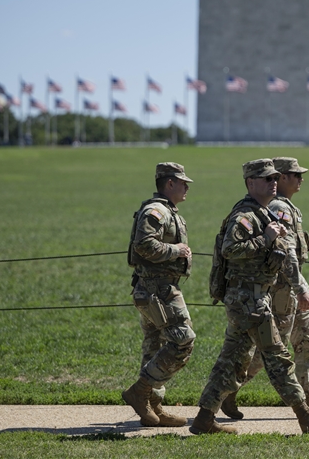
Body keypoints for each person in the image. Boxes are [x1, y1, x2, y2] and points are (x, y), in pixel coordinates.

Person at [190, 158, 309, 435]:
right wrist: (266, 238)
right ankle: (306, 416)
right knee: (277, 357)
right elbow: (230, 249)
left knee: (229, 361)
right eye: (267, 179)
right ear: (251, 183)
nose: (274, 183)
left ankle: (204, 418)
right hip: (249, 300)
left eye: (275, 178)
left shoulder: (262, 213)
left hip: (251, 299)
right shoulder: (245, 216)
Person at [122, 162, 195, 428]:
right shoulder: (157, 211)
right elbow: (143, 244)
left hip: (155, 289)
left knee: (153, 346)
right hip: (158, 290)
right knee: (183, 341)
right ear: (169, 183)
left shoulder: (167, 210)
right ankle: (140, 391)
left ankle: (152, 408)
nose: (187, 187)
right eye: (183, 182)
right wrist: (176, 250)